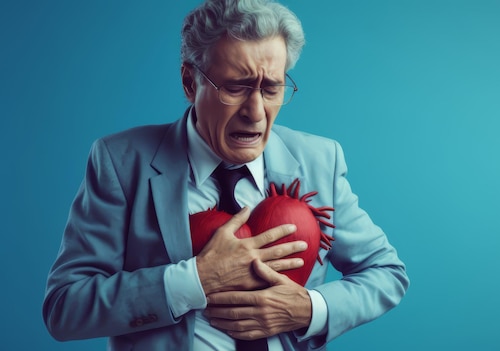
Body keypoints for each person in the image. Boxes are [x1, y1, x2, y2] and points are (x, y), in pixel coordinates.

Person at [42, 0, 409, 350]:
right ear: (190, 83)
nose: (256, 112)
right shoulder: (120, 162)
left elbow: (386, 273)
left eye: (271, 88)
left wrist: (308, 308)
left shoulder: (320, 160)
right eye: (236, 87)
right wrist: (195, 280)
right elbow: (64, 307)